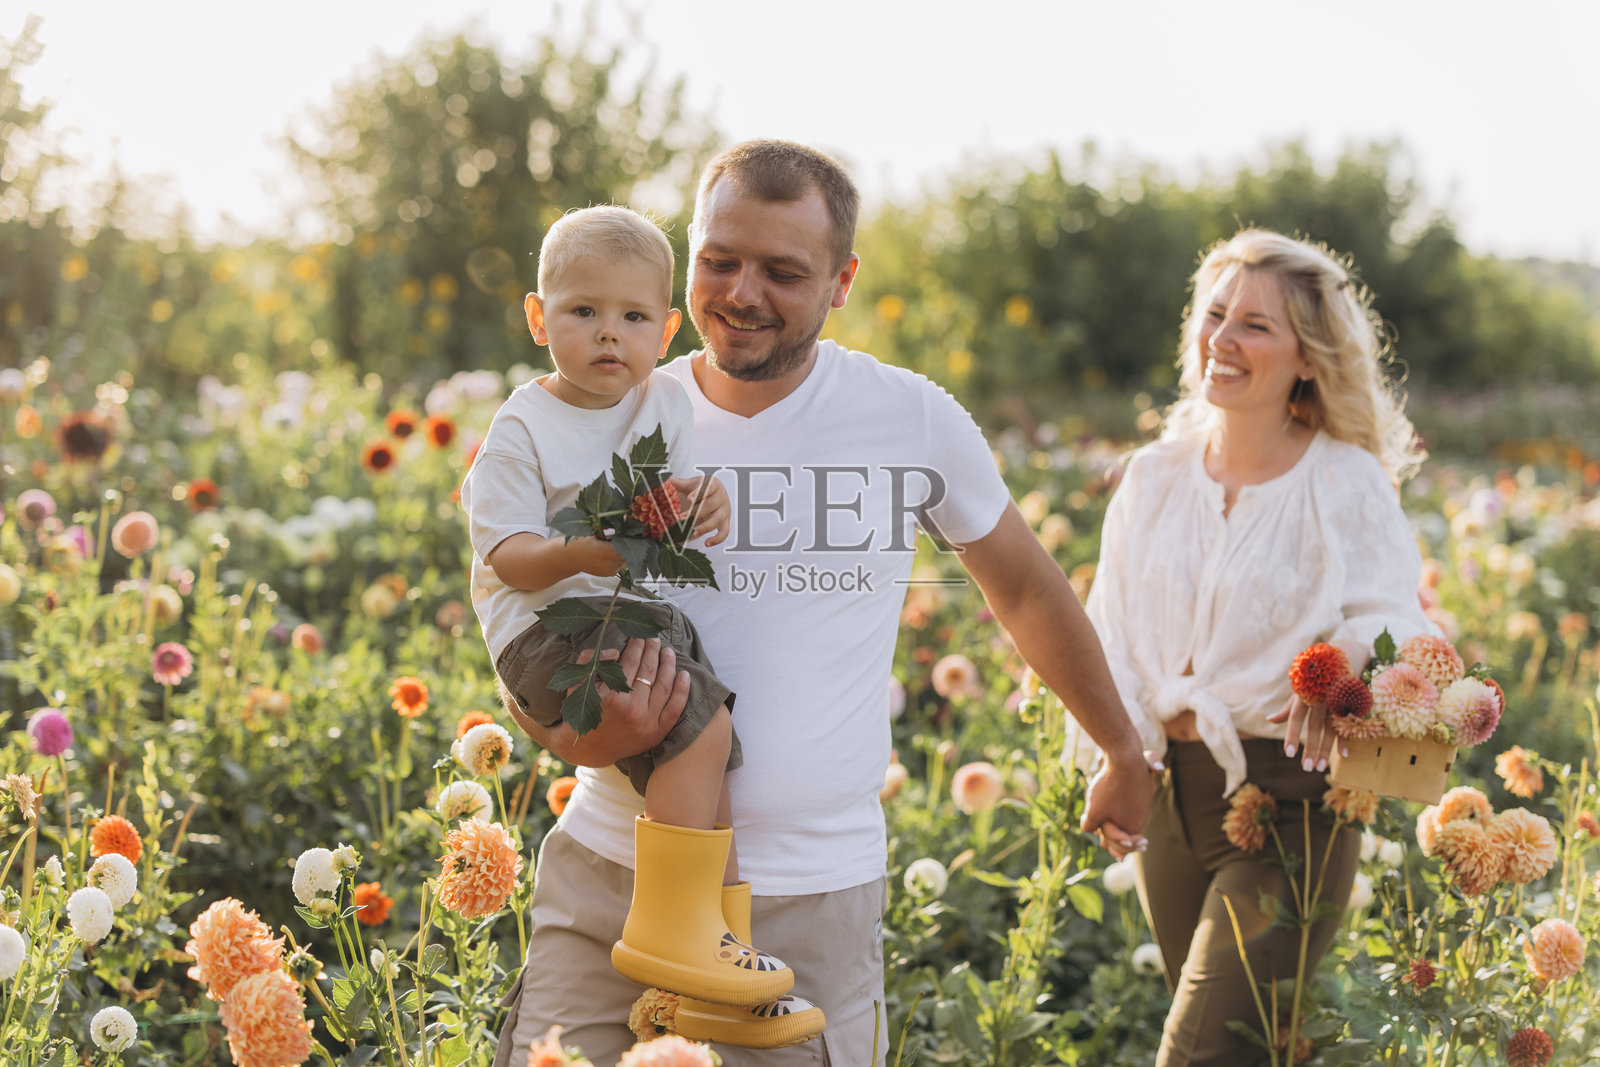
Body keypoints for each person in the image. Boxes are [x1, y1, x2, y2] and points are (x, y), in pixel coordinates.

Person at [494, 140, 1154, 1067]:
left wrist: (1121, 747)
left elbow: (1027, 586)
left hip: (811, 900)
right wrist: (571, 736)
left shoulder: (907, 417)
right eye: (719, 260)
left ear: (841, 281)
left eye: (783, 270)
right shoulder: (612, 410)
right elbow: (527, 612)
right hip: (610, 870)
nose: (741, 293)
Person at [1065, 229, 1438, 1066]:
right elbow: (1111, 633)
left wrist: (1338, 663)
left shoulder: (1343, 479)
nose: (1222, 340)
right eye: (1215, 314)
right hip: (1166, 792)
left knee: (1198, 1054)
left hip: (1292, 800)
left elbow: (1401, 622)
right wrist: (1119, 754)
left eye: (1255, 326)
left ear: (1308, 355)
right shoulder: (1153, 476)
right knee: (1256, 1049)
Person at [462, 205, 813, 1026]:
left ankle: (720, 960)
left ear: (667, 328)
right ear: (538, 316)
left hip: (624, 610)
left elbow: (669, 507)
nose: (609, 335)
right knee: (695, 724)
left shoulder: (662, 405)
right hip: (546, 631)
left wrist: (703, 503)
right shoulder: (524, 424)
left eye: (633, 317)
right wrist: (579, 553)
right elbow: (506, 555)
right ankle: (677, 933)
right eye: (583, 312)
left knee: (709, 739)